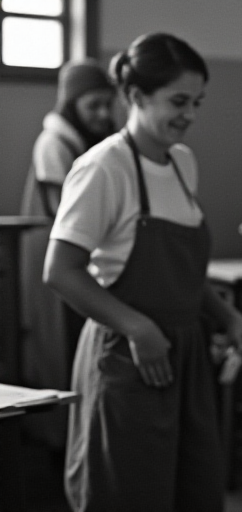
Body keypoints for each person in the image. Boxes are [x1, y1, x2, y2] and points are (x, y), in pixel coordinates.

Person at [44, 33, 242, 512]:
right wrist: (138, 328)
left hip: (186, 358)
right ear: (136, 96)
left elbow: (180, 273)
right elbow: (60, 271)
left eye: (197, 102)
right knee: (128, 493)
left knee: (194, 490)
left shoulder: (183, 163)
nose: (190, 115)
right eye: (178, 101)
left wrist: (225, 315)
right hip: (128, 359)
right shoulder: (103, 167)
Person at [19, 58, 115, 449]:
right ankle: (59, 444)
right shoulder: (54, 144)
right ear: (71, 105)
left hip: (81, 255)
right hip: (54, 257)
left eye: (107, 104)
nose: (103, 114)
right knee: (56, 349)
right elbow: (69, 213)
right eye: (93, 105)